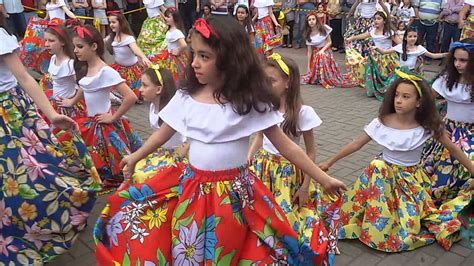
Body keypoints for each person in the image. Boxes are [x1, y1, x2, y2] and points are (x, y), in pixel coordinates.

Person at [94, 16, 347, 265]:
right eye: (194, 54)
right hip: (191, 188)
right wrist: (136, 156)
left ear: (230, 60)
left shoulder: (249, 100)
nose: (194, 63)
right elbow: (164, 132)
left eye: (205, 56)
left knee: (230, 247)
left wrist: (323, 179)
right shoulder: (187, 96)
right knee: (186, 242)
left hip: (235, 195)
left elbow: (287, 146)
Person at [320, 70, 474, 252]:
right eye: (396, 95)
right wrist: (329, 162)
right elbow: (356, 144)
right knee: (378, 165)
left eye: (406, 96)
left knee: (408, 224)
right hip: (380, 178)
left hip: (409, 181)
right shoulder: (382, 121)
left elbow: (454, 148)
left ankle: (391, 220)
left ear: (419, 102)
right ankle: (375, 224)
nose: (398, 100)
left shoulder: (427, 126)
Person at [0, 12, 100, 263]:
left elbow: (24, 78)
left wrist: (52, 114)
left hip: (12, 113)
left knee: (37, 170)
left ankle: (62, 211)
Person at [248, 53, 341, 265]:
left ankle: (286, 247)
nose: (266, 85)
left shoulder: (302, 112)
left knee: (284, 214)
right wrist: (249, 158)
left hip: (289, 173)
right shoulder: (264, 106)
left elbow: (310, 152)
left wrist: (305, 186)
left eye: (271, 81)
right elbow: (259, 136)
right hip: (264, 166)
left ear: (288, 83)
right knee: (261, 210)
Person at [65, 25, 143, 190]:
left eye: (80, 46)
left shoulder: (106, 71)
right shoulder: (86, 67)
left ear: (93, 47)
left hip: (104, 124)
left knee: (113, 163)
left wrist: (113, 117)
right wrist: (71, 102)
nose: (76, 51)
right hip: (90, 122)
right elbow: (84, 86)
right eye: (74, 47)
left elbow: (131, 97)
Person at [422, 39, 473, 212]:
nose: (457, 64)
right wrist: (436, 124)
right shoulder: (446, 79)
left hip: (471, 133)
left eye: (463, 60)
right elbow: (426, 102)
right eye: (455, 59)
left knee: (467, 164)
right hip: (447, 130)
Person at [131, 65, 188, 183]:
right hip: (161, 151)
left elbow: (187, 135)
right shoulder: (152, 106)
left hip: (177, 153)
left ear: (158, 89)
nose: (140, 89)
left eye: (145, 85)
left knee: (142, 175)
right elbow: (156, 135)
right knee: (133, 167)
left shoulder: (172, 110)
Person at [346, 11, 400, 100]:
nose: (376, 21)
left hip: (387, 57)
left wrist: (389, 51)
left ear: (384, 21)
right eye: (375, 19)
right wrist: (352, 38)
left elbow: (400, 44)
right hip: (375, 57)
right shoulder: (373, 31)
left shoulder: (389, 32)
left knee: (386, 75)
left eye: (379, 19)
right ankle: (376, 90)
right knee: (375, 75)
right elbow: (364, 35)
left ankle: (387, 90)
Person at [41, 18, 87, 121]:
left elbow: (85, 85)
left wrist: (72, 101)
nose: (46, 44)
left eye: (51, 41)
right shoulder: (53, 58)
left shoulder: (69, 64)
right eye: (45, 40)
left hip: (67, 106)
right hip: (56, 102)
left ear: (62, 42)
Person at [301, 12, 357, 88]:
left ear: (316, 20)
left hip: (326, 50)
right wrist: (308, 66)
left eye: (313, 19)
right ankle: (319, 77)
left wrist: (322, 50)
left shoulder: (324, 28)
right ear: (307, 22)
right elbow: (309, 51)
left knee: (322, 55)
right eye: (309, 20)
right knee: (318, 56)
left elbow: (330, 42)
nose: (311, 21)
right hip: (316, 53)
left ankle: (326, 77)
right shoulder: (307, 34)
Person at [106, 11, 153, 99]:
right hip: (119, 68)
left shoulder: (128, 38)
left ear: (121, 22)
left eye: (114, 22)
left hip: (132, 70)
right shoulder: (111, 37)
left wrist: (143, 57)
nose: (111, 25)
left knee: (135, 95)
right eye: (110, 22)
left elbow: (135, 49)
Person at [153, 7, 188, 84]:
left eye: (168, 17)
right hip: (169, 55)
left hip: (174, 59)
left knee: (176, 76)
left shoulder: (177, 32)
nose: (166, 18)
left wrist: (178, 51)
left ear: (175, 18)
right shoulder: (171, 28)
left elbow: (184, 45)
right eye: (166, 16)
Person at [412, 0, 444, 64]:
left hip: (433, 23)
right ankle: (415, 56)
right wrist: (418, 17)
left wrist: (438, 19)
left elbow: (443, 10)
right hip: (420, 22)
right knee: (418, 39)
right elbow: (416, 7)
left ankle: (428, 58)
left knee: (430, 40)